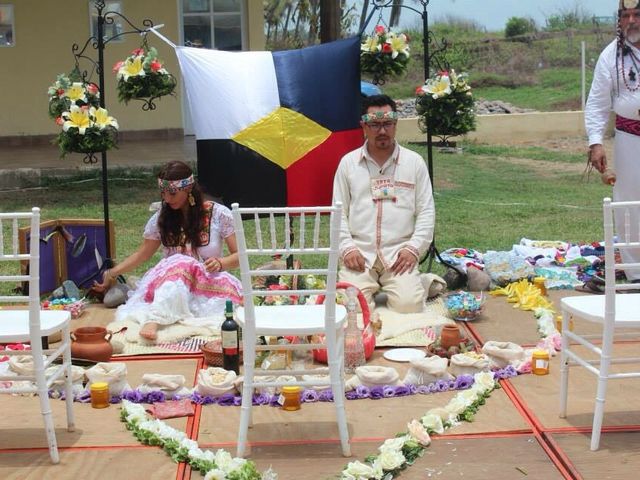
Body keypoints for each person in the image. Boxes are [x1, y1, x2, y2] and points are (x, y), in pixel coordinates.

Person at [94, 160, 243, 341]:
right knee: (180, 262)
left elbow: (240, 257)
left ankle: (158, 317)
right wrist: (112, 273)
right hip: (170, 281)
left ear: (188, 189)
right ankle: (157, 318)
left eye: (172, 193)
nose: (167, 199)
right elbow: (143, 254)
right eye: (163, 193)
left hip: (206, 280)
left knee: (184, 263)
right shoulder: (161, 218)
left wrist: (221, 262)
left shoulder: (219, 214)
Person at [332, 94, 435, 313]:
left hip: (399, 254)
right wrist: (348, 249)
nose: (381, 131)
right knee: (352, 309)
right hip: (360, 254)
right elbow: (337, 213)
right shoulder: (349, 163)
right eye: (374, 124)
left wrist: (413, 249)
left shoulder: (413, 162)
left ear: (395, 124)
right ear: (364, 126)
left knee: (410, 306)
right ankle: (384, 286)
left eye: (387, 124)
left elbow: (426, 211)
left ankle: (418, 284)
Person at [585, 0, 640, 283]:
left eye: (636, 14)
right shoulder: (611, 55)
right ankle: (636, 273)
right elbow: (596, 103)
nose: (631, 20)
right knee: (628, 204)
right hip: (630, 138)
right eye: (625, 15)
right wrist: (596, 141)